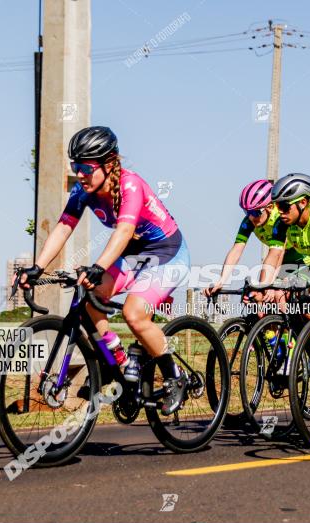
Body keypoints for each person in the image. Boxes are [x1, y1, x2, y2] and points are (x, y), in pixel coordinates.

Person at [14, 126, 190, 415]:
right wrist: (37, 267)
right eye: (75, 166)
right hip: (135, 255)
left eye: (85, 167)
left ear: (109, 165)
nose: (79, 173)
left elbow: (124, 230)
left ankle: (175, 376)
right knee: (89, 297)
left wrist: (98, 266)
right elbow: (64, 225)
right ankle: (120, 361)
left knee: (134, 313)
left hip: (167, 253)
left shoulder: (130, 186)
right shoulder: (84, 190)